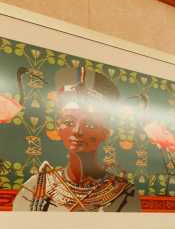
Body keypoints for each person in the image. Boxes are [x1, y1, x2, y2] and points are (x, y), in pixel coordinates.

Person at [14, 67, 140, 212]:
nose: (77, 131)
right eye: (69, 122)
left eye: (90, 124)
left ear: (105, 133)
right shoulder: (34, 187)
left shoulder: (124, 194)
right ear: (59, 128)